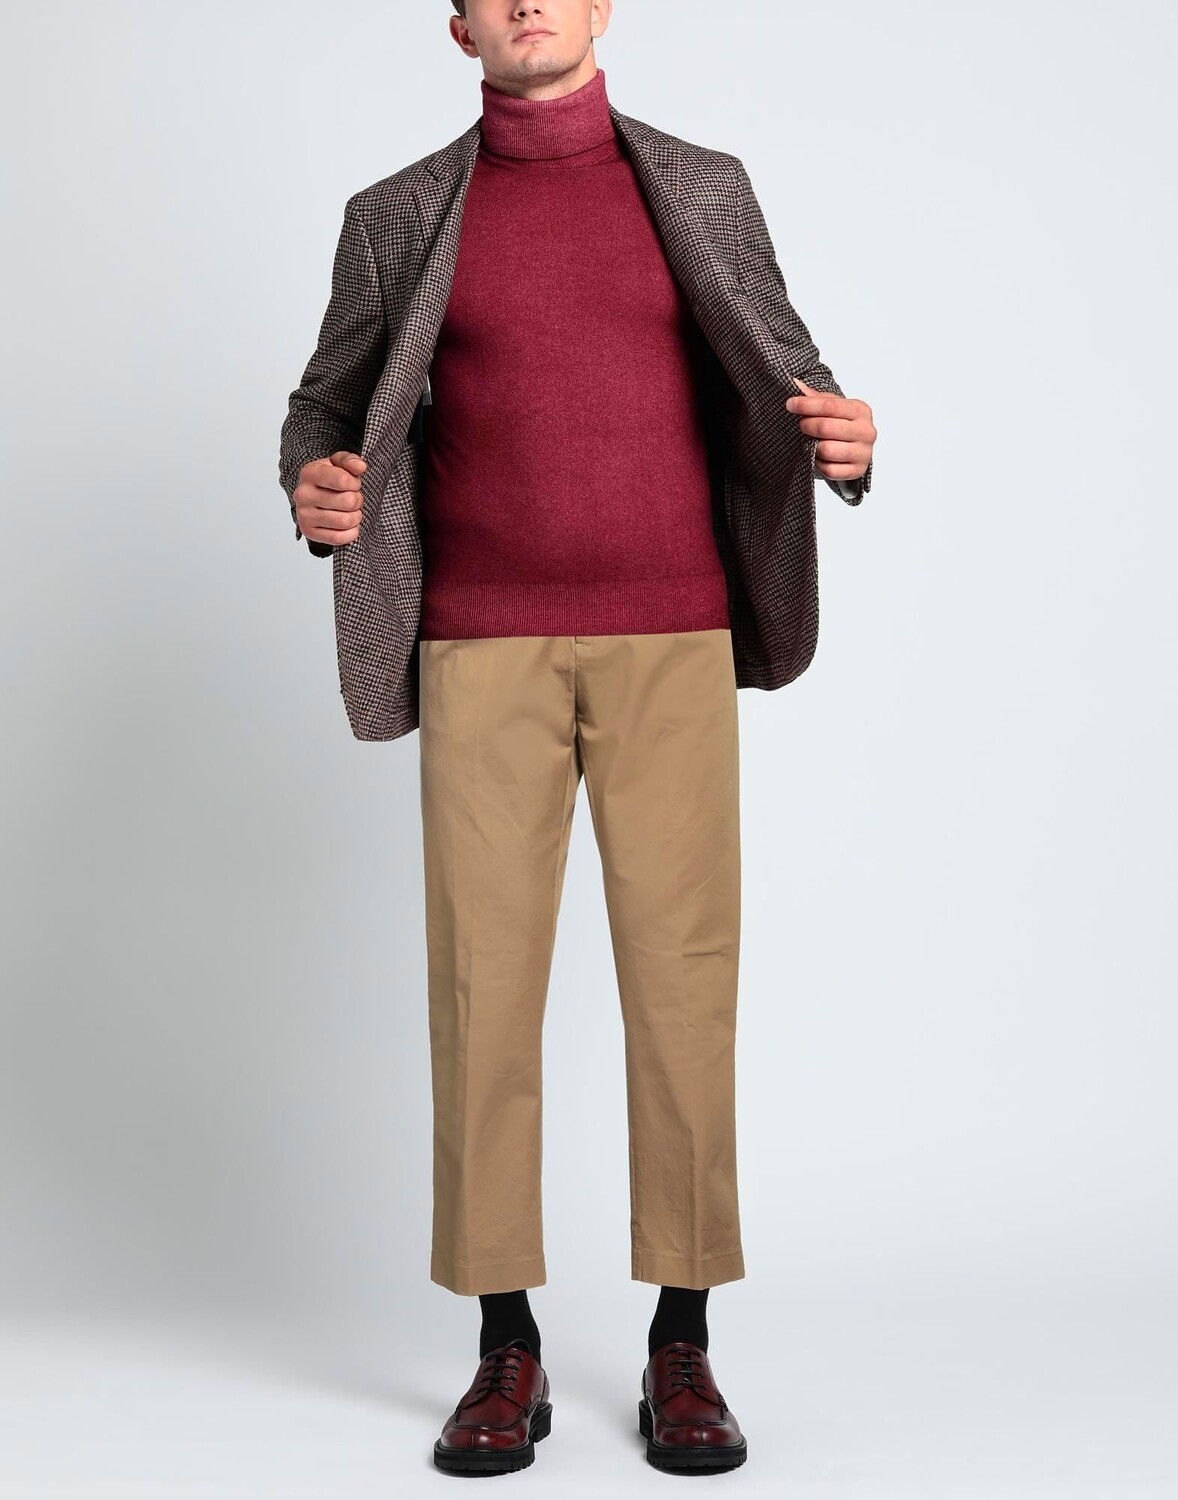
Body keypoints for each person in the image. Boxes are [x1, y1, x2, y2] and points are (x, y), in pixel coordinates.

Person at [278, 0, 876, 1477]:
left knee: (685, 984)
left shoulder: (702, 187)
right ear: (459, 27)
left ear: (603, 6)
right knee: (481, 989)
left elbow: (794, 372)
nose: (527, 1)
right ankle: (506, 1345)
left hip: (674, 633)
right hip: (478, 643)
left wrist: (847, 442)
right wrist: (313, 481)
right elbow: (321, 408)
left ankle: (684, 1339)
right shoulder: (397, 215)